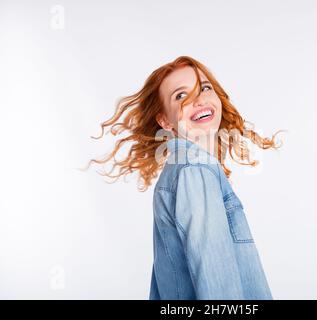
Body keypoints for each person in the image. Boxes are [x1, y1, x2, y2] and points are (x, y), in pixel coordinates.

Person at [86, 56, 284, 299]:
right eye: (180, 95)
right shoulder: (195, 171)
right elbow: (218, 284)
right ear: (164, 120)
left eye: (205, 88)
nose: (198, 99)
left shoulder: (184, 170)